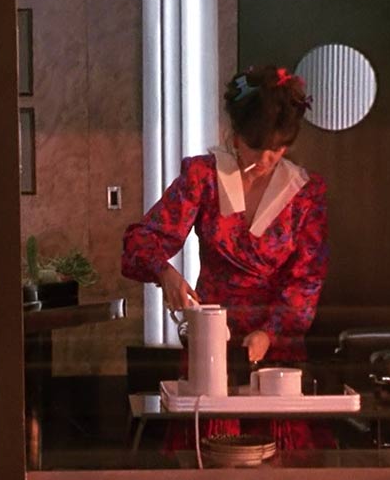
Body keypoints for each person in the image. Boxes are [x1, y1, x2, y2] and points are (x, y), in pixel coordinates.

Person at [121, 65, 330, 452]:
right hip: (212, 342)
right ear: (235, 135)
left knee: (280, 462)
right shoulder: (204, 177)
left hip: (276, 345)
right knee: (212, 455)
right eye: (256, 146)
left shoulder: (305, 192)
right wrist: (165, 273)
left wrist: (269, 333)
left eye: (278, 149)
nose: (266, 158)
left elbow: (307, 280)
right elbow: (141, 241)